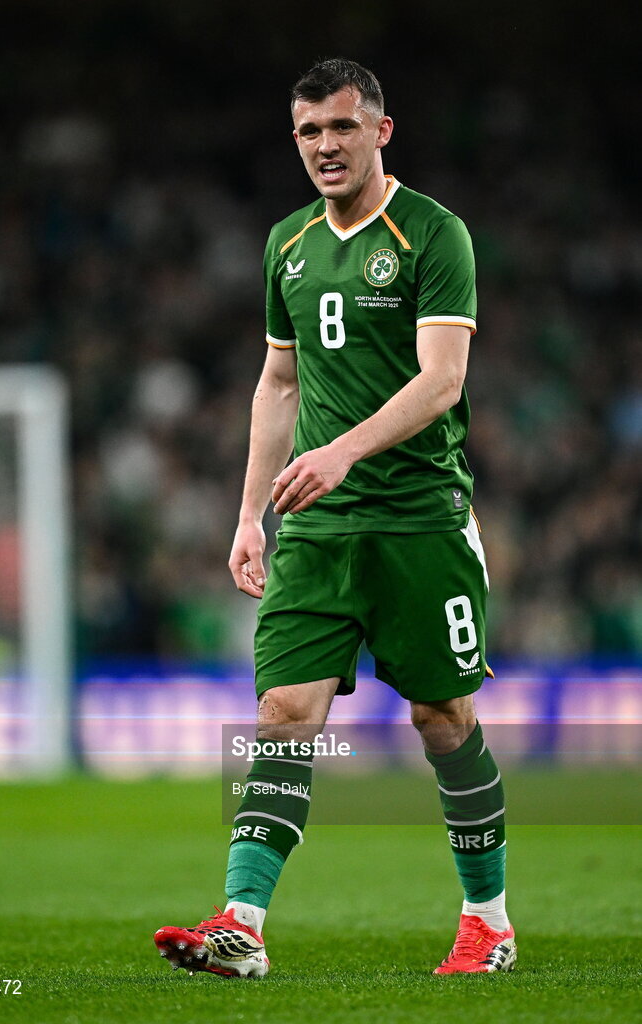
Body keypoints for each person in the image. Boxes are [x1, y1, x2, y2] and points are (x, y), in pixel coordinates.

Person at [154, 57, 515, 977]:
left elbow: (442, 380)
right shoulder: (288, 243)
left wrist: (342, 450)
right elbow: (278, 383)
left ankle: (489, 924)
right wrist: (249, 515)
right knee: (283, 714)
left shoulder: (433, 233)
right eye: (309, 131)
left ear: (380, 131)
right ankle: (241, 926)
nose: (325, 145)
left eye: (343, 126)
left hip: (420, 519)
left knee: (442, 718)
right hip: (315, 529)